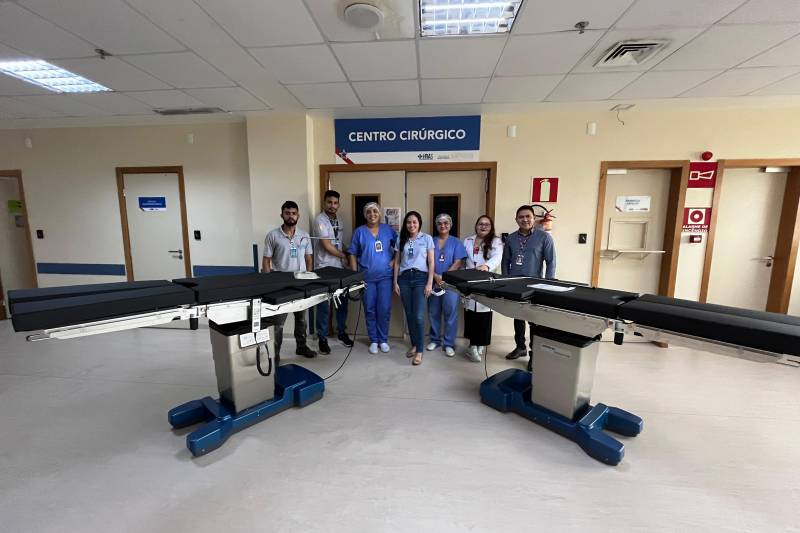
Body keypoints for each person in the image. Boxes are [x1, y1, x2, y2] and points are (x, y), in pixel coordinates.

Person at [262, 200, 317, 358]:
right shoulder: (273, 236)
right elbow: (266, 260)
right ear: (282, 215)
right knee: (278, 323)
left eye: (293, 213)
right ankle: (275, 355)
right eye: (287, 213)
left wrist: (309, 279)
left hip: (300, 283)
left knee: (301, 319)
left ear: (298, 215)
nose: (291, 216)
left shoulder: (304, 235)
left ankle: (301, 346)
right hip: (281, 285)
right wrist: (267, 283)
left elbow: (308, 258)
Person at [501, 205, 556, 363]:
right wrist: (505, 281)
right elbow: (505, 262)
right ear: (516, 219)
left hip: (534, 285)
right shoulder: (511, 238)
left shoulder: (544, 237)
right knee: (518, 317)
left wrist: (548, 284)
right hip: (515, 284)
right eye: (521, 217)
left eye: (528, 216)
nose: (524, 219)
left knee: (534, 320)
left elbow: (551, 262)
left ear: (534, 218)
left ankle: (534, 354)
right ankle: (520, 347)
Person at [348, 202, 397, 355]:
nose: (372, 214)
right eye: (368, 212)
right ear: (365, 215)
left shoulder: (388, 230)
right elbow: (352, 253)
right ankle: (374, 340)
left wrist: (393, 261)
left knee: (384, 309)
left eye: (375, 211)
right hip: (366, 278)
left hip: (385, 277)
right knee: (369, 309)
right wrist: (355, 276)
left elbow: (400, 247)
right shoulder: (359, 232)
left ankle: (383, 340)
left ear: (379, 213)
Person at [312, 190, 354, 355]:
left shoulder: (339, 220)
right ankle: (322, 338)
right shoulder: (319, 220)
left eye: (335, 203)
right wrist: (345, 256)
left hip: (339, 268)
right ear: (324, 203)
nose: (332, 205)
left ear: (339, 204)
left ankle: (341, 332)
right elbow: (326, 245)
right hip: (324, 268)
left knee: (343, 302)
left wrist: (349, 253)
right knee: (324, 304)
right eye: (329, 202)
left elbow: (338, 242)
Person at [393, 211, 435, 366]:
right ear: (405, 224)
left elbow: (431, 262)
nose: (411, 225)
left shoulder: (427, 239)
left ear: (419, 224)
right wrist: (395, 282)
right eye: (409, 222)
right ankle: (415, 344)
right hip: (404, 279)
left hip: (420, 278)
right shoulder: (401, 238)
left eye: (414, 222)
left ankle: (420, 351)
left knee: (418, 316)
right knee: (410, 315)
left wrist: (429, 283)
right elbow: (397, 262)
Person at [462, 215, 503, 362]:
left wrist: (486, 266)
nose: (483, 226)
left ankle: (480, 344)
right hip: (469, 281)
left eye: (487, 224)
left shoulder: (496, 241)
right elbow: (463, 259)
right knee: (471, 314)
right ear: (476, 226)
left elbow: (497, 257)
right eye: (480, 224)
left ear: (491, 227)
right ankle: (472, 345)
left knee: (484, 314)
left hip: (485, 280)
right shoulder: (468, 240)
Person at [427, 213, 467, 357]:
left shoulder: (456, 242)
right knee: (433, 312)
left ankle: (449, 343)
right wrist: (436, 277)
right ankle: (435, 340)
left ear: (450, 225)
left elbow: (458, 262)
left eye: (446, 223)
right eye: (439, 223)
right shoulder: (430, 241)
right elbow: (426, 261)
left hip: (450, 284)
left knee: (450, 313)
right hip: (434, 282)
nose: (443, 225)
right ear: (436, 225)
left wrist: (444, 277)